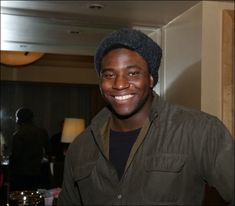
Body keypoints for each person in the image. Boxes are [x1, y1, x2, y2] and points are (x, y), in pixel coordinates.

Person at [58, 29, 234, 205]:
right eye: (109, 75)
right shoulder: (80, 146)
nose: (119, 84)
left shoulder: (201, 131)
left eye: (133, 73)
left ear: (151, 79)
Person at [10, 107, 50, 191]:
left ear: (19, 119)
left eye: (16, 117)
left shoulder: (18, 135)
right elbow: (49, 151)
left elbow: (16, 157)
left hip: (22, 174)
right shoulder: (42, 132)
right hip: (39, 173)